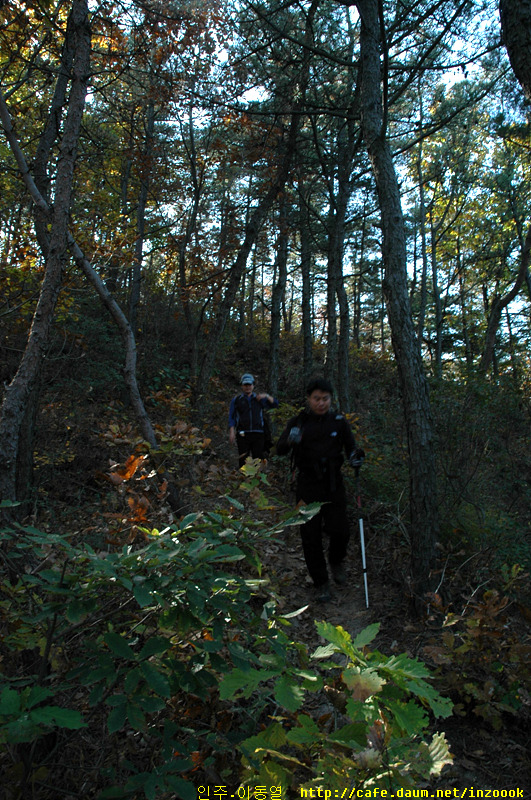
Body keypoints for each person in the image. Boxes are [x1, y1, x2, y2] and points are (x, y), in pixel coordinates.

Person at [276, 377, 364, 603]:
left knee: (341, 530)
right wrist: (291, 441)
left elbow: (351, 448)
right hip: (307, 485)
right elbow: (280, 449)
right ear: (309, 399)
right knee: (310, 535)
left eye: (325, 399)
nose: (321, 403)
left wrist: (356, 457)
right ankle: (321, 583)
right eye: (317, 398)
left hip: (333, 484)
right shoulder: (299, 422)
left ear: (331, 399)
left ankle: (336, 561)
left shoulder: (338, 422)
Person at [228, 373, 279, 468]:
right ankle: (243, 480)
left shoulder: (259, 399)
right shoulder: (237, 400)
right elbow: (232, 416)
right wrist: (231, 432)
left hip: (258, 433)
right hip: (243, 434)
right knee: (243, 459)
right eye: (245, 385)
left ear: (253, 386)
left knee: (258, 459)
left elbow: (275, 404)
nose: (248, 387)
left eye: (249, 385)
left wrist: (266, 396)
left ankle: (258, 480)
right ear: (242, 386)